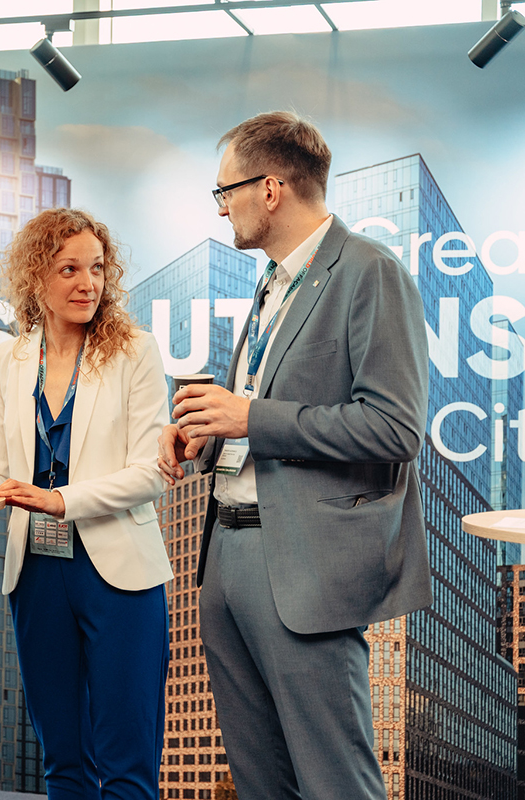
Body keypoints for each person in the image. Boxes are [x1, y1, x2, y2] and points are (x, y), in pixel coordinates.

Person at [158, 111, 431, 799]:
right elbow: (264, 409)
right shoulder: (272, 282)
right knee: (260, 782)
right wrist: (207, 433)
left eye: (225, 191)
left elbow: (395, 429)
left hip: (304, 567)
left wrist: (250, 417)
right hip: (228, 556)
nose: (221, 207)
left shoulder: (370, 271)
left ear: (271, 188)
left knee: (336, 782)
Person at [0, 208, 171, 799]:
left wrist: (58, 500)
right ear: (35, 277)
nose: (87, 283)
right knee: (62, 762)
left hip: (119, 574)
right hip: (37, 574)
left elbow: (152, 472)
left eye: (96, 268)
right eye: (69, 269)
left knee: (127, 766)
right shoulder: (10, 358)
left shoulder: (136, 352)